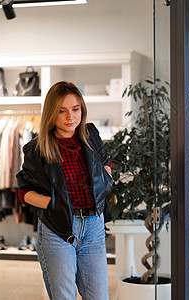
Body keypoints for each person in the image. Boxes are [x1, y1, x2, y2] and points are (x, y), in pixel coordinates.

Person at [16, 81, 113, 300]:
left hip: (93, 227)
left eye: (75, 109)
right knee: (64, 297)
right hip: (57, 230)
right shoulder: (37, 148)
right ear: (51, 113)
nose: (71, 117)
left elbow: (106, 162)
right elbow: (24, 192)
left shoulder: (90, 134)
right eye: (62, 111)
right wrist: (53, 204)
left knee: (99, 296)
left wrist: (106, 178)